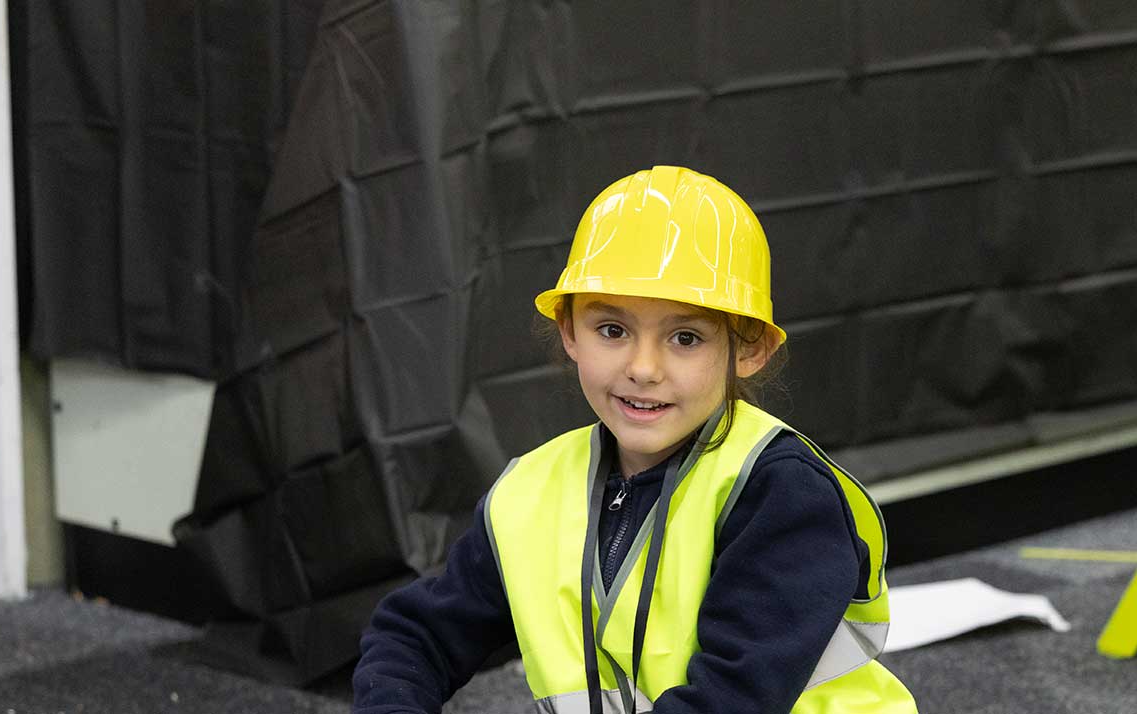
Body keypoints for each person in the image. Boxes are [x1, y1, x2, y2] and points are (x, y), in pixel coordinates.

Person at [352, 166, 918, 713]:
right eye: (613, 330)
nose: (643, 368)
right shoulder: (529, 495)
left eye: (686, 337)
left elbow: (731, 700)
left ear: (749, 351)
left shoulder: (783, 493)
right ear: (570, 332)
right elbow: (413, 635)